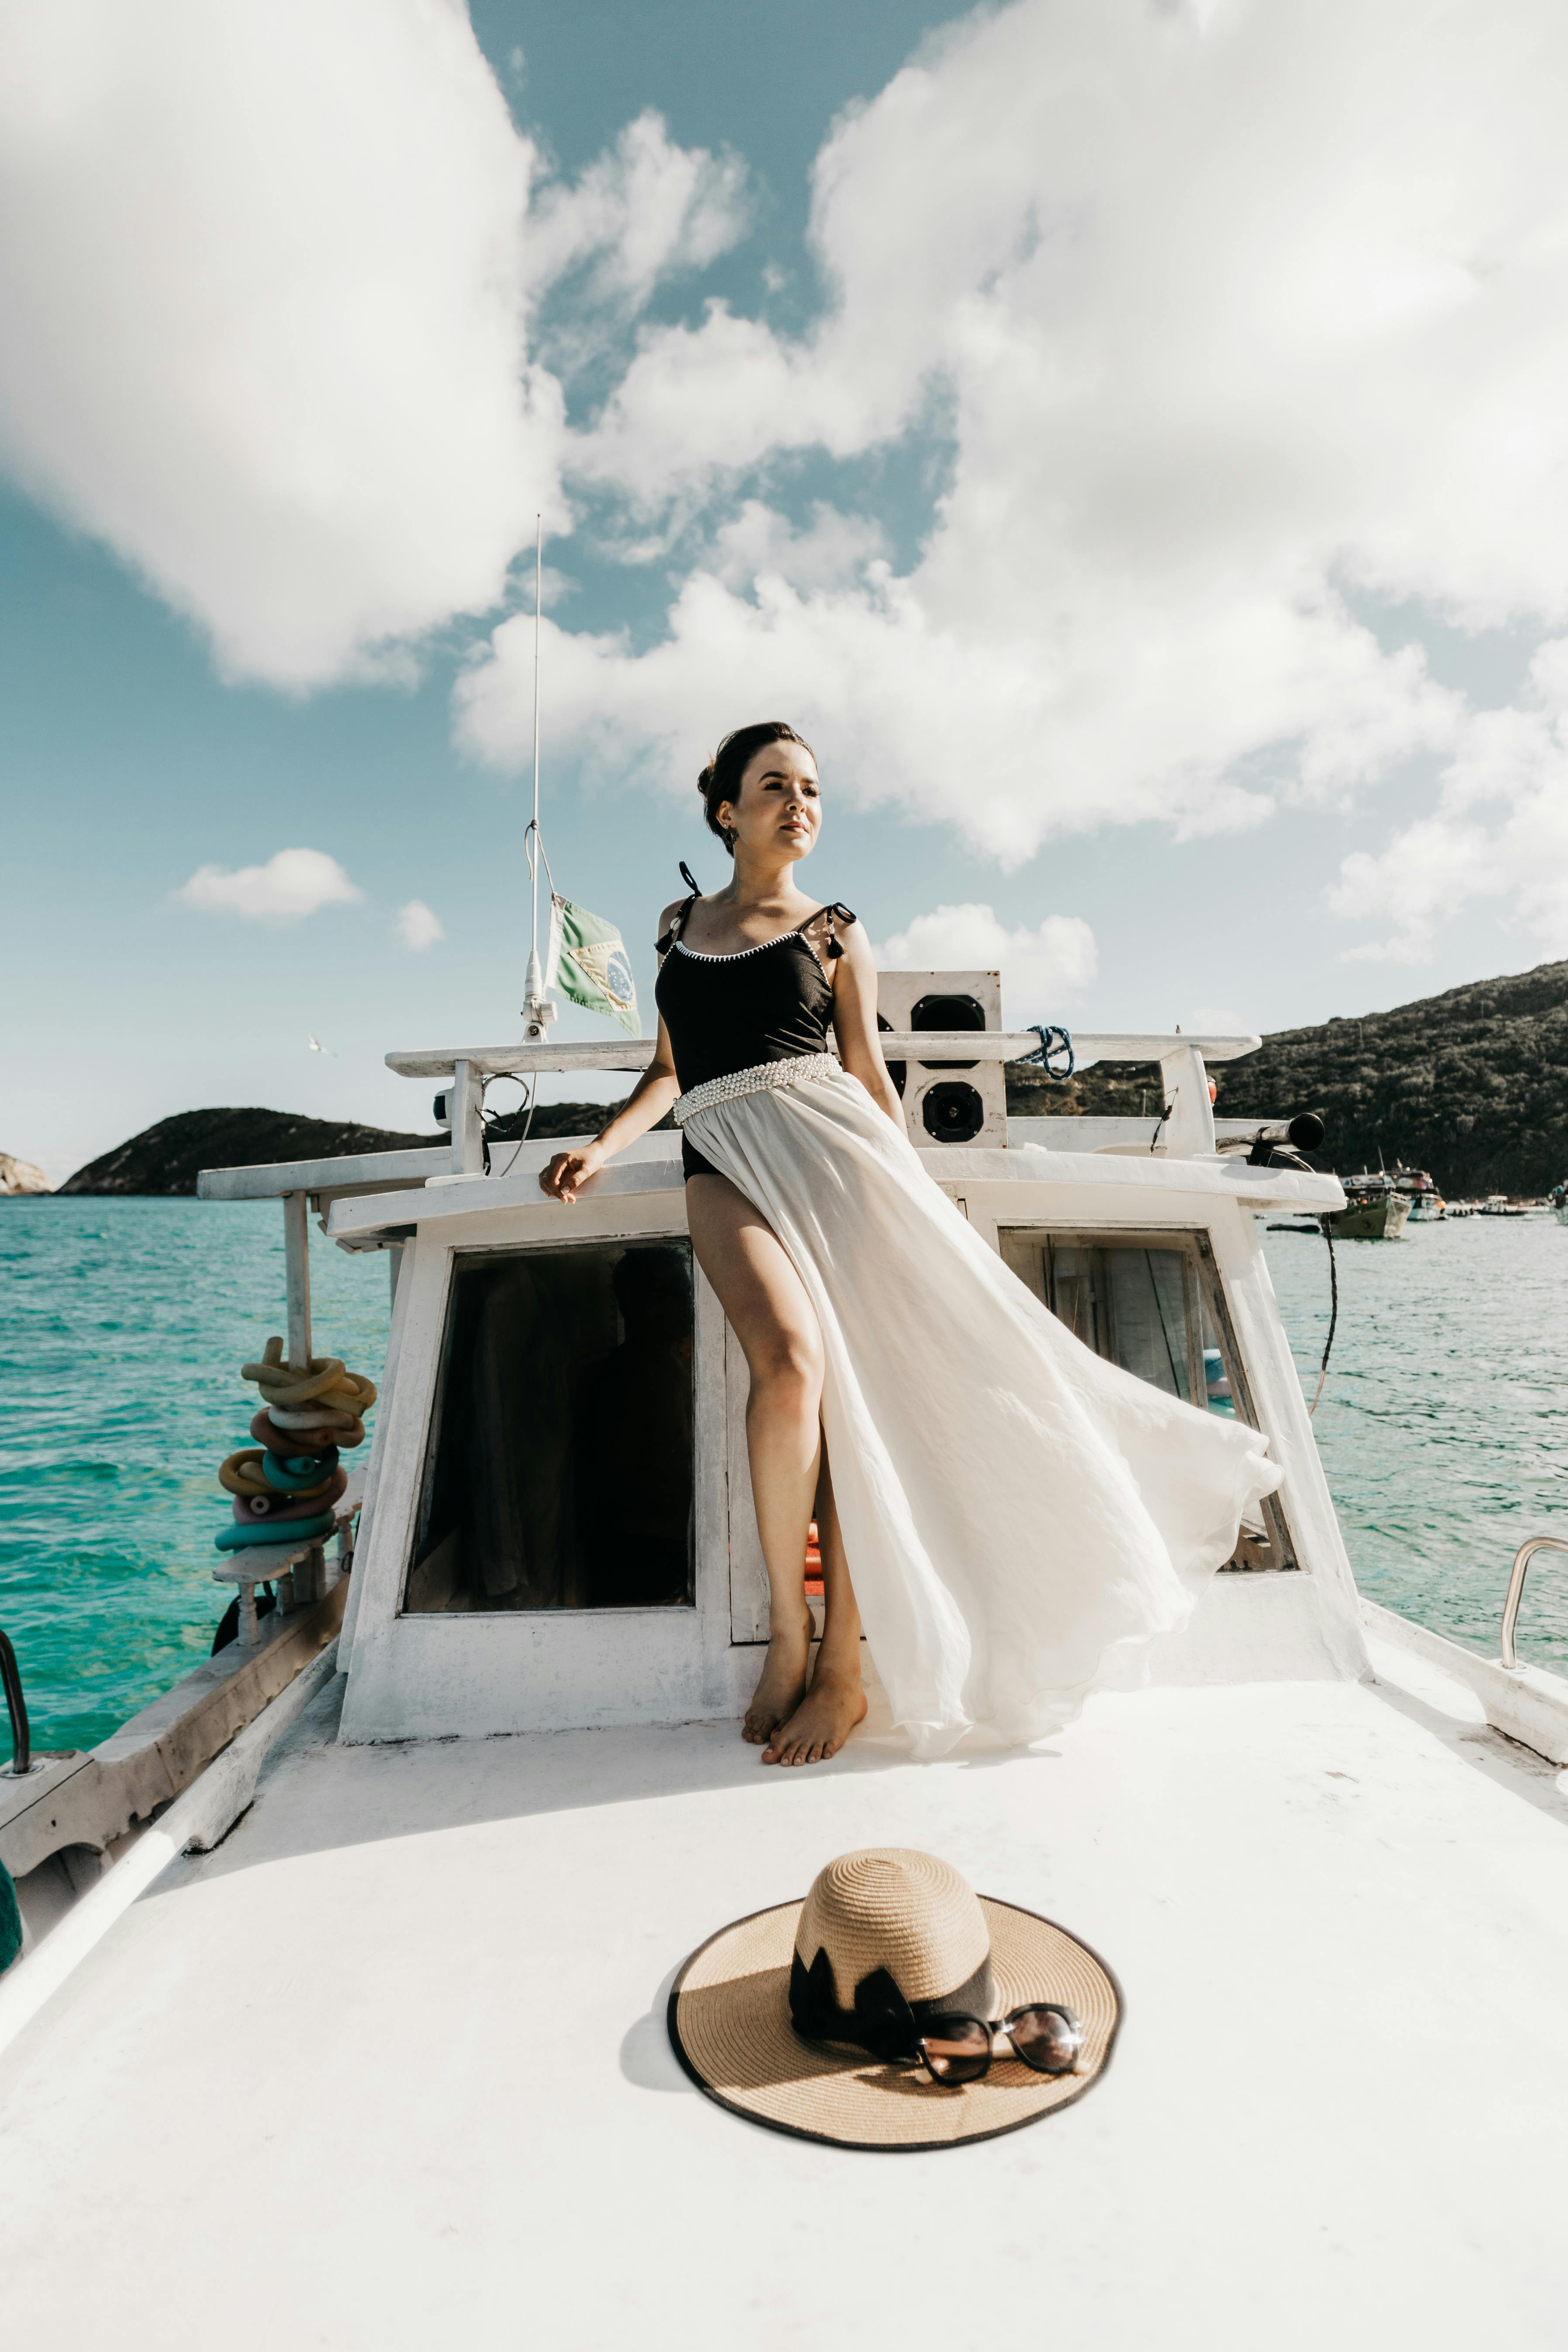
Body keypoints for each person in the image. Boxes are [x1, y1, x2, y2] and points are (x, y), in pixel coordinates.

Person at [541, 721, 1280, 1768]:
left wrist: (914, 1200)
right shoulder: (675, 927)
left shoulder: (836, 931)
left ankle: (843, 1665)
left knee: (867, 1403)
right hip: (724, 1153)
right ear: (726, 810)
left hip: (842, 1156)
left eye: (811, 788)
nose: (799, 802)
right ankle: (789, 1636)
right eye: (775, 786)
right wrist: (606, 1142)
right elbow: (670, 1071)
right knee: (790, 1369)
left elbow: (871, 1076)